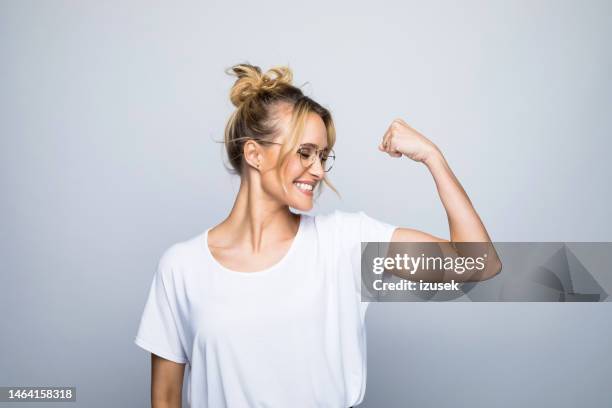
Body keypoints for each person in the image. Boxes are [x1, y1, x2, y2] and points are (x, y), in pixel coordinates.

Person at [134, 63, 501, 408]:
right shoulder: (181, 267)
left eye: (323, 156)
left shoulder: (345, 245)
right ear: (254, 154)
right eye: (305, 153)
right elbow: (165, 398)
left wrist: (432, 157)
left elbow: (479, 266)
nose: (319, 170)